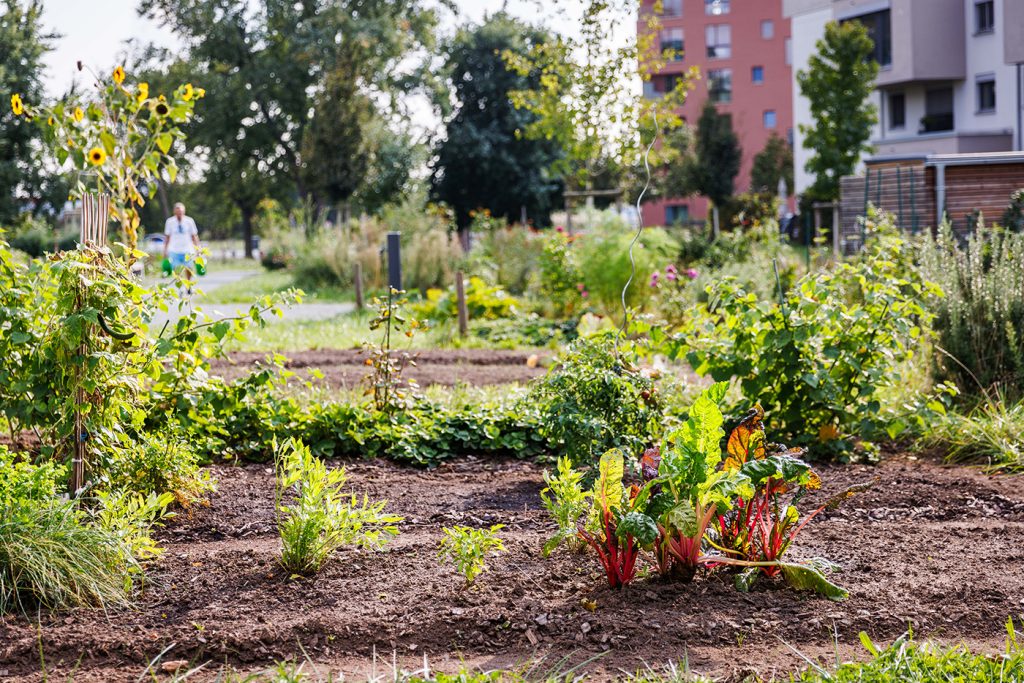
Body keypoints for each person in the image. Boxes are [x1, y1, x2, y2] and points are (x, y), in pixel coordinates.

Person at [163, 202, 200, 279]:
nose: (179, 214)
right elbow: (167, 237)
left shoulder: (189, 221)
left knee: (189, 268)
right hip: (174, 250)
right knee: (176, 270)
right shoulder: (170, 222)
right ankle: (180, 288)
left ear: (184, 211)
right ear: (174, 212)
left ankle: (188, 286)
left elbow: (194, 236)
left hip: (187, 250)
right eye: (177, 212)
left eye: (180, 212)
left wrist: (198, 249)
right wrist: (165, 250)